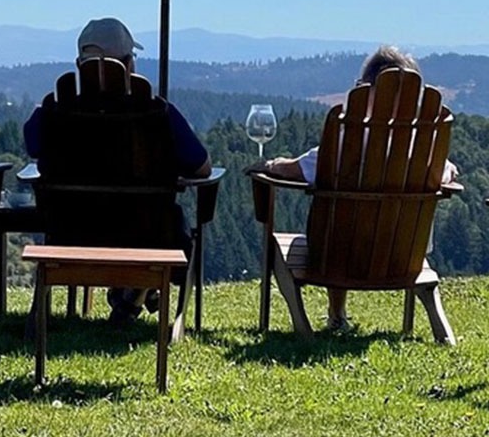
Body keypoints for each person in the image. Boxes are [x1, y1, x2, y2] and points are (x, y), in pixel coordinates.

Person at [248, 45, 458, 331]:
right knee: (354, 229)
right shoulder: (424, 147)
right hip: (404, 256)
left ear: (368, 90)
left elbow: (297, 170)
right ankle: (435, 321)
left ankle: (324, 320)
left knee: (329, 231)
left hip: (338, 256)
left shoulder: (346, 141)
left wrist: (269, 164)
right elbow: (446, 173)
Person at [24, 17, 211, 323]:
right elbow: (201, 167)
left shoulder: (54, 113)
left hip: (71, 232)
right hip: (148, 236)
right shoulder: (158, 113)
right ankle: (136, 294)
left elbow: (32, 146)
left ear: (78, 64)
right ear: (128, 64)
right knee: (170, 224)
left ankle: (134, 294)